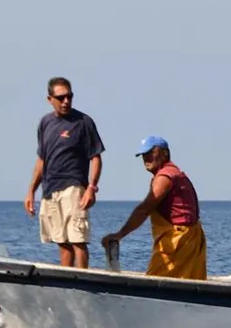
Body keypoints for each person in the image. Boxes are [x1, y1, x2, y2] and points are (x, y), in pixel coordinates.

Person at [99, 136, 207, 280]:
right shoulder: (175, 172)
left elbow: (144, 209)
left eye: (150, 153)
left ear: (165, 154)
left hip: (177, 241)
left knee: (159, 281)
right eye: (143, 155)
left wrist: (119, 235)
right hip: (190, 239)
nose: (145, 158)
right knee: (188, 281)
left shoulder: (164, 177)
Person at [25, 77, 105, 268]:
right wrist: (31, 191)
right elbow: (42, 159)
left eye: (69, 96)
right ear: (50, 99)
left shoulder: (84, 122)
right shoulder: (45, 123)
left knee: (78, 239)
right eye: (60, 98)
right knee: (61, 241)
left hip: (74, 187)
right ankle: (67, 283)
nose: (66, 101)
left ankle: (83, 283)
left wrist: (91, 188)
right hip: (50, 189)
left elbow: (96, 157)